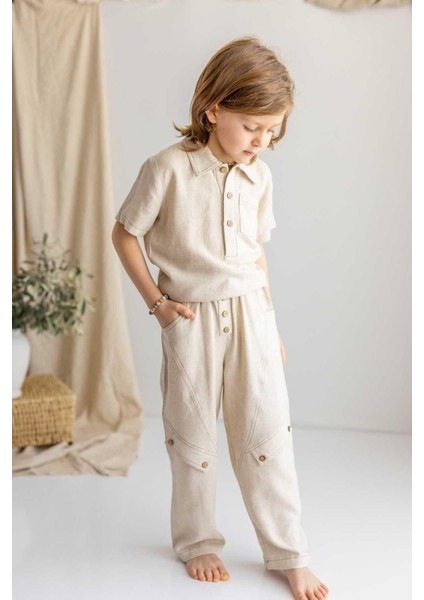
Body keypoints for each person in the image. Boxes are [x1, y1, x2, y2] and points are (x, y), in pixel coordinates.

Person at [112, 36, 329, 600]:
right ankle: (197, 542)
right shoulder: (166, 168)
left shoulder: (260, 177)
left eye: (272, 131)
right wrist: (157, 305)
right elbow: (125, 233)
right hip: (191, 319)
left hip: (252, 315)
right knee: (193, 437)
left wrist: (271, 324)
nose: (262, 141)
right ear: (214, 110)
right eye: (253, 127)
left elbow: (256, 255)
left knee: (269, 434)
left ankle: (289, 552)